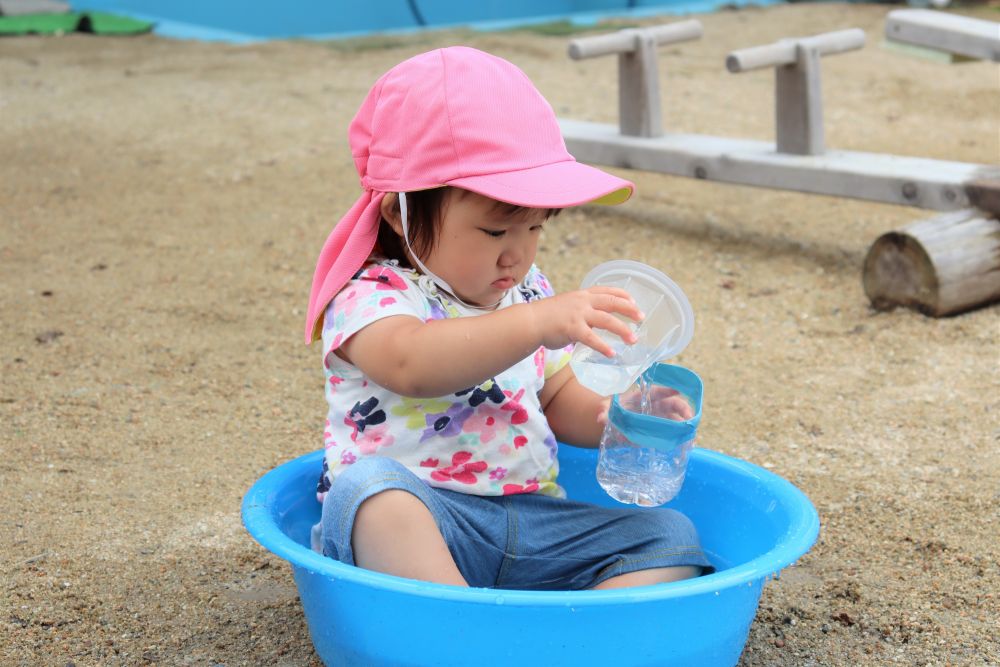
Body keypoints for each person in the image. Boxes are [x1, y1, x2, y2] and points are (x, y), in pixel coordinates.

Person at [304, 46, 712, 590]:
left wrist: (621, 416)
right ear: (399, 215)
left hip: (529, 520)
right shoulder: (373, 295)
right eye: (495, 231)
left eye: (535, 228)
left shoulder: (526, 291)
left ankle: (569, 638)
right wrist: (536, 323)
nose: (515, 254)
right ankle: (462, 631)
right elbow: (411, 363)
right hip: (424, 523)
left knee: (670, 534)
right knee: (373, 495)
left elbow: (556, 397)